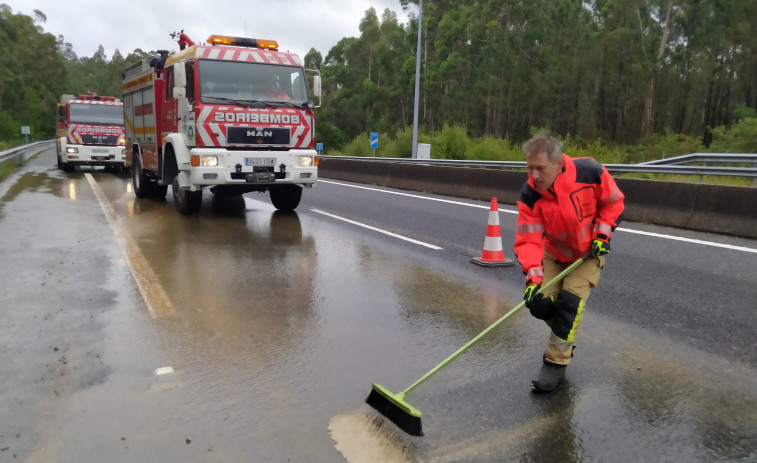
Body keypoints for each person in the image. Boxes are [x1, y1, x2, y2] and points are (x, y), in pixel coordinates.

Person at [513, 132, 625, 393]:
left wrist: (602, 235)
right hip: (552, 253)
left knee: (569, 304)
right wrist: (533, 277)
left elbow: (613, 203)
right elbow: (529, 240)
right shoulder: (531, 192)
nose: (534, 175)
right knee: (538, 304)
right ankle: (565, 328)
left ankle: (554, 365)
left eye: (540, 168)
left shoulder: (591, 172)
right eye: (530, 168)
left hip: (588, 253)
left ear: (559, 162)